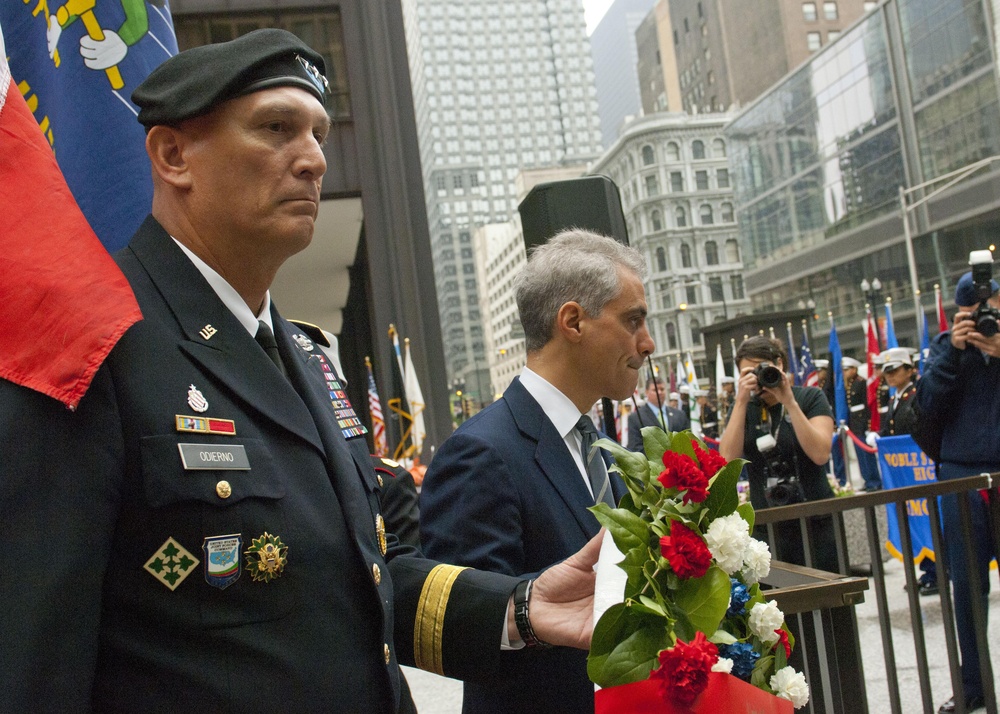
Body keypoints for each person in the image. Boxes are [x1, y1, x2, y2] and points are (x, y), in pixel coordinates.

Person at [0, 30, 602, 712]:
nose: (313, 158)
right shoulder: (89, 351)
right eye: (277, 128)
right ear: (173, 155)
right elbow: (34, 655)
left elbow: (357, 578)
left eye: (317, 132)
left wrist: (520, 607)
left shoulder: (306, 358)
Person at [420, 230, 654, 713]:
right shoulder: (479, 453)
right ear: (572, 321)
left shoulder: (597, 446)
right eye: (633, 320)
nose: (647, 343)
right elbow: (466, 631)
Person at [917, 271, 1000, 714]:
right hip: (961, 474)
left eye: (989, 307)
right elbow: (928, 403)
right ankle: (974, 686)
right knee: (967, 588)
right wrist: (955, 347)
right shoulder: (945, 346)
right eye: (972, 313)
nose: (984, 318)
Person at [719, 336, 838, 573]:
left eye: (762, 369)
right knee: (779, 604)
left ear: (780, 364)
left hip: (816, 519)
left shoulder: (810, 398)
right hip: (767, 528)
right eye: (748, 373)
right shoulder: (743, 408)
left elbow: (820, 454)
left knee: (830, 601)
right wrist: (741, 401)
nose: (757, 378)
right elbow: (727, 462)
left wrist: (789, 402)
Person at [844, 356, 882, 490]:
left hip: (862, 422)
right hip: (854, 424)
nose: (844, 372)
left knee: (867, 454)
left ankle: (874, 481)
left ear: (854, 369)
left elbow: (867, 404)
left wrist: (868, 423)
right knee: (860, 455)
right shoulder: (849, 384)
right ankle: (867, 480)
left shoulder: (861, 382)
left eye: (847, 369)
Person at [629, 376, 690, 451]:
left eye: (662, 389)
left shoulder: (679, 415)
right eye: (655, 390)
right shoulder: (636, 418)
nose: (659, 392)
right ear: (647, 392)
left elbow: (688, 441)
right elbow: (635, 448)